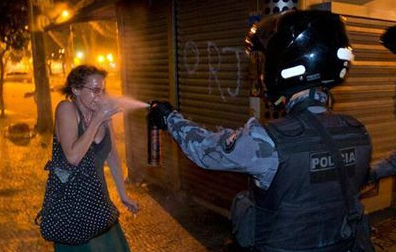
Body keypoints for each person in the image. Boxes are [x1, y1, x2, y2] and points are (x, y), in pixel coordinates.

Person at [148, 10, 375, 252]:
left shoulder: (271, 141)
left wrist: (169, 118)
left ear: (285, 64)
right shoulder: (357, 132)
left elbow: (205, 151)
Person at [53, 64, 139, 251]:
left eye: (103, 90)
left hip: (99, 202)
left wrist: (123, 195)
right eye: (95, 90)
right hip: (72, 208)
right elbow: (73, 157)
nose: (100, 96)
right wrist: (98, 118)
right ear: (75, 89)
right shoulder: (66, 109)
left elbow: (112, 157)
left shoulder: (102, 116)